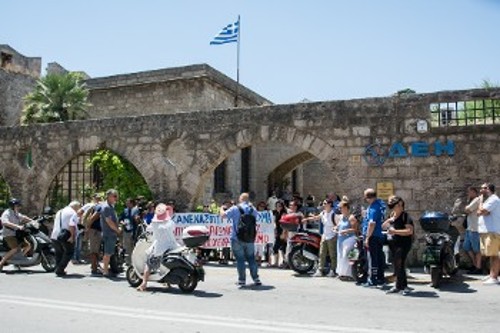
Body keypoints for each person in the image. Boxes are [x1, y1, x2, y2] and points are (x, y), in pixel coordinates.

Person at [220, 192, 262, 287]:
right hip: (250, 238)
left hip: (237, 237)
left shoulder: (235, 208)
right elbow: (257, 218)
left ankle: (242, 280)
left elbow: (223, 216)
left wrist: (222, 208)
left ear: (240, 199)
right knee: (251, 258)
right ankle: (256, 278)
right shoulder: (253, 209)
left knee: (240, 259)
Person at [137, 202, 180, 291]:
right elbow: (173, 230)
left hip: (160, 247)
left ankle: (144, 283)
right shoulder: (170, 222)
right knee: (166, 262)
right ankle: (167, 283)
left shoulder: (154, 223)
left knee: (149, 263)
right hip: (172, 246)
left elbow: (148, 230)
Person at [382, 196, 414, 295]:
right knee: (397, 265)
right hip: (393, 244)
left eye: (398, 205)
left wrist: (395, 231)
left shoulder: (406, 216)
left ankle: (400, 287)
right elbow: (383, 226)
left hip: (403, 244)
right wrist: (389, 221)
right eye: (395, 205)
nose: (396, 207)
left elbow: (409, 231)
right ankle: (402, 286)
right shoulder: (392, 215)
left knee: (399, 264)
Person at [304, 199, 337, 277]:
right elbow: (316, 217)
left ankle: (332, 270)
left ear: (329, 204)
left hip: (332, 236)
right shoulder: (323, 213)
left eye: (325, 203)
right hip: (324, 236)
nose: (323, 205)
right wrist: (307, 219)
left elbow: (337, 224)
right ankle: (320, 270)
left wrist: (336, 232)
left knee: (332, 255)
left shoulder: (334, 214)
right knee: (322, 254)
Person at [0, 198, 35, 272]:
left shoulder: (15, 212)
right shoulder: (7, 213)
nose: (19, 207)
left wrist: (32, 221)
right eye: (17, 205)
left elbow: (23, 217)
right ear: (12, 206)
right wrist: (17, 226)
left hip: (16, 234)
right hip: (8, 235)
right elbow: (5, 222)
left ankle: (17, 261)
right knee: (15, 248)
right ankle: (2, 262)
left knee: (28, 245)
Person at [361, 188, 387, 287]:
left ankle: (372, 279)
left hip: (373, 236)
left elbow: (372, 223)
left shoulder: (373, 208)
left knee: (372, 258)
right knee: (379, 257)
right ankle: (380, 278)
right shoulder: (380, 205)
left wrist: (367, 237)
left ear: (368, 197)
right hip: (378, 235)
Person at [477, 183, 500, 285]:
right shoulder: (489, 200)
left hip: (492, 231)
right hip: (488, 231)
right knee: (491, 254)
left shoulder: (493, 199)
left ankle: (494, 277)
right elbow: (480, 212)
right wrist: (482, 210)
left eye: (483, 188)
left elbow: (481, 211)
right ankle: (492, 274)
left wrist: (481, 202)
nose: (481, 191)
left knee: (495, 255)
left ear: (488, 189)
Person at [51, 201, 81, 277]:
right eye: (79, 207)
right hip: (65, 235)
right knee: (69, 252)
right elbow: (71, 225)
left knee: (59, 253)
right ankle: (60, 269)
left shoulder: (60, 211)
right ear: (76, 207)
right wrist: (72, 236)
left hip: (55, 235)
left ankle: (58, 269)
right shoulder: (72, 212)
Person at [100, 189, 121, 277]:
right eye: (114, 196)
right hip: (109, 233)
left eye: (117, 196)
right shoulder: (106, 207)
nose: (116, 198)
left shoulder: (110, 207)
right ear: (108, 196)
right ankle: (105, 271)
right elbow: (109, 221)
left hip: (111, 233)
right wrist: (117, 230)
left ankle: (106, 269)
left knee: (110, 252)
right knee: (108, 253)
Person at [336, 200, 358, 280]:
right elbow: (338, 226)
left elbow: (355, 229)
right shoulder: (341, 217)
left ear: (346, 207)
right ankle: (342, 273)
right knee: (341, 256)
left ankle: (349, 274)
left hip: (349, 239)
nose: (340, 209)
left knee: (347, 257)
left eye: (341, 207)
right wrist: (335, 228)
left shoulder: (351, 217)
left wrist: (345, 231)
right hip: (341, 239)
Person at [82, 193, 103, 275]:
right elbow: (93, 217)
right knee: (94, 250)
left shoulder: (93, 206)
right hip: (95, 231)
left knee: (95, 249)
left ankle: (94, 266)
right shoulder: (98, 207)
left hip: (94, 230)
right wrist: (88, 227)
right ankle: (94, 268)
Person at [463, 186, 482, 274]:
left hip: (475, 229)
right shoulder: (472, 201)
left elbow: (468, 210)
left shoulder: (477, 200)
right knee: (466, 247)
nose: (468, 194)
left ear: (474, 192)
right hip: (469, 228)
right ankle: (475, 265)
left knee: (477, 249)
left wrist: (467, 207)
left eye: (470, 192)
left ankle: (478, 268)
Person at [119, 198, 140, 265]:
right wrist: (122, 223)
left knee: (134, 246)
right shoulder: (125, 211)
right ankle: (128, 262)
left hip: (134, 231)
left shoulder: (136, 210)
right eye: (126, 203)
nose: (126, 204)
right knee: (127, 247)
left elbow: (138, 220)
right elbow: (120, 219)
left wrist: (137, 219)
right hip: (126, 231)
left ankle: (135, 262)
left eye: (128, 203)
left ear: (131, 203)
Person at [271, 200, 287, 267]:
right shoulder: (276, 213)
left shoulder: (283, 214)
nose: (278, 207)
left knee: (279, 248)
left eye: (280, 206)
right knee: (281, 248)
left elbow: (285, 224)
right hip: (278, 232)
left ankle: (280, 262)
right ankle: (279, 262)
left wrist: (283, 233)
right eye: (277, 206)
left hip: (282, 232)